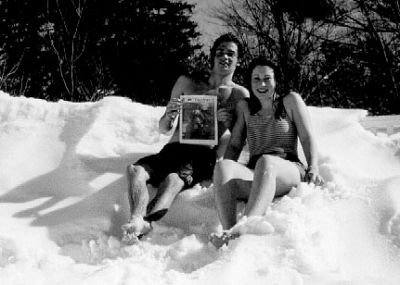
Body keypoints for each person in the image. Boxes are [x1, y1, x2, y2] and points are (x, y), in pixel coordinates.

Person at [121, 33, 249, 244]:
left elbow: (239, 138)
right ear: (212, 56)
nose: (225, 57)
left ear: (238, 60)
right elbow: (164, 127)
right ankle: (136, 217)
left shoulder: (239, 95)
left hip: (201, 154)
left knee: (173, 179)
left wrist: (222, 128)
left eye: (231, 53)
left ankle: (146, 223)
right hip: (173, 148)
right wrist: (170, 113)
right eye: (220, 52)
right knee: (135, 170)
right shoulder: (188, 82)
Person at [210, 56, 324, 248]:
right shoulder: (244, 107)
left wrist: (314, 166)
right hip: (257, 172)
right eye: (256, 78)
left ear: (276, 81)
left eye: (267, 78)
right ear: (250, 82)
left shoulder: (290, 101)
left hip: (288, 168)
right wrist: (223, 178)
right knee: (222, 165)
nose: (262, 84)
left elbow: (307, 136)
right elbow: (235, 145)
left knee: (267, 161)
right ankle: (229, 230)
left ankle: (245, 226)